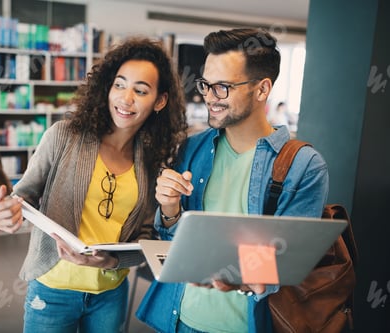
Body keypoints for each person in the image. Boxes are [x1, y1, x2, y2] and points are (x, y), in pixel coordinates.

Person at [0, 37, 187, 333]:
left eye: (140, 91)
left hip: (109, 294)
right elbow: (21, 197)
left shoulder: (153, 162)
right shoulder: (64, 136)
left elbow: (147, 238)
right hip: (52, 290)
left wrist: (112, 260)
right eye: (119, 84)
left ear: (159, 101)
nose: (125, 98)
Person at [136, 28, 329, 333]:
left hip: (245, 325)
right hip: (179, 319)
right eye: (206, 84)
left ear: (262, 90)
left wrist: (238, 276)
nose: (209, 97)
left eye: (222, 87)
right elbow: (172, 242)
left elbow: (291, 262)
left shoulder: (303, 166)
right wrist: (170, 208)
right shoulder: (193, 148)